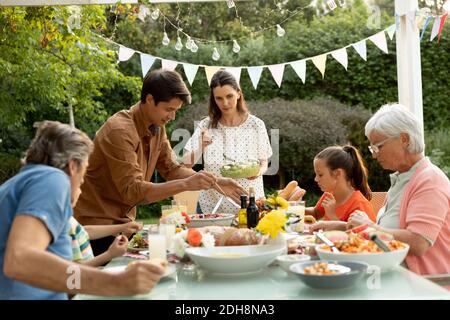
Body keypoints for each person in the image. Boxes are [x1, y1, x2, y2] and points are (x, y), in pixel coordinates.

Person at [74, 69, 246, 255]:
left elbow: (172, 168)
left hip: (124, 225)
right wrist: (186, 184)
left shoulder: (156, 126)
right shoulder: (120, 131)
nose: (172, 117)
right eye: (169, 109)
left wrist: (216, 182)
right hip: (95, 229)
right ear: (149, 100)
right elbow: (132, 191)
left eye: (175, 110)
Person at [0, 121, 166, 299]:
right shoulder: (51, 178)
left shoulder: (20, 183)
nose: (82, 181)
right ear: (73, 166)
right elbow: (20, 261)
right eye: (84, 171)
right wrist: (115, 283)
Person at [344, 103, 450, 276]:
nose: (374, 154)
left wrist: (369, 227)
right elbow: (386, 230)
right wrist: (340, 226)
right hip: (391, 276)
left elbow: (418, 242)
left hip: (423, 287)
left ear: (404, 139)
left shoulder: (430, 181)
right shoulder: (403, 178)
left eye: (378, 146)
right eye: (372, 148)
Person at [183, 70, 272, 214]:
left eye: (229, 96)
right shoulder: (206, 125)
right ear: (213, 99)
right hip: (211, 205)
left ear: (238, 93)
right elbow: (186, 163)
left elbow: (264, 162)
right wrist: (201, 146)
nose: (225, 103)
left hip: (250, 203)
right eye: (219, 98)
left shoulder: (256, 124)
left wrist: (258, 172)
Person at [306, 145, 376, 230]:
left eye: (320, 175)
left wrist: (332, 215)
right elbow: (315, 213)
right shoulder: (329, 194)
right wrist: (292, 208)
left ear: (338, 174)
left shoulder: (359, 204)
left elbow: (359, 237)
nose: (316, 179)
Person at [69, 217, 144, 267]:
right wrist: (110, 254)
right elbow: (74, 271)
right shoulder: (64, 226)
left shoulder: (68, 218)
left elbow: (85, 231)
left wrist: (124, 227)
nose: (80, 192)